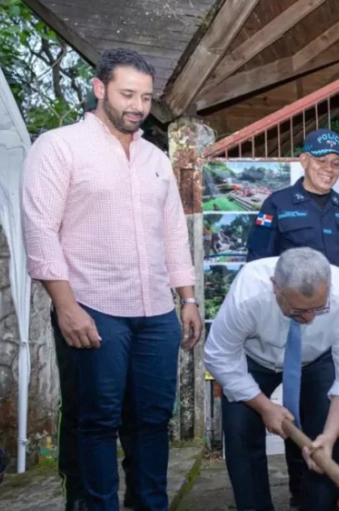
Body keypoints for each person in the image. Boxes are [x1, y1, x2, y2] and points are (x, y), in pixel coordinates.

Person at [22, 49, 202, 511]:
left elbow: (173, 234)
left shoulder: (156, 159)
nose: (138, 106)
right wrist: (66, 306)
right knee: (97, 421)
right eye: (127, 94)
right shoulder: (59, 147)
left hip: (156, 314)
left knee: (153, 421)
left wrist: (187, 299)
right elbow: (40, 230)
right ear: (100, 88)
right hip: (92, 307)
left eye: (145, 97)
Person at [245, 128, 339, 507]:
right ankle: (300, 494)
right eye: (321, 161)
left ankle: (329, 498)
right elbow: (258, 266)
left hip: (336, 329)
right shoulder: (277, 204)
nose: (329, 169)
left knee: (330, 417)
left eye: (336, 163)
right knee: (294, 419)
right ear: (303, 160)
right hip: (290, 329)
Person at [203, 247, 339, 511]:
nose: (309, 318)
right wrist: (264, 407)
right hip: (254, 360)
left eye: (318, 308)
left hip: (315, 360)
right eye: (299, 310)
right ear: (275, 287)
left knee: (326, 440)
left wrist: (329, 436)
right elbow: (218, 355)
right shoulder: (249, 291)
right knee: (240, 435)